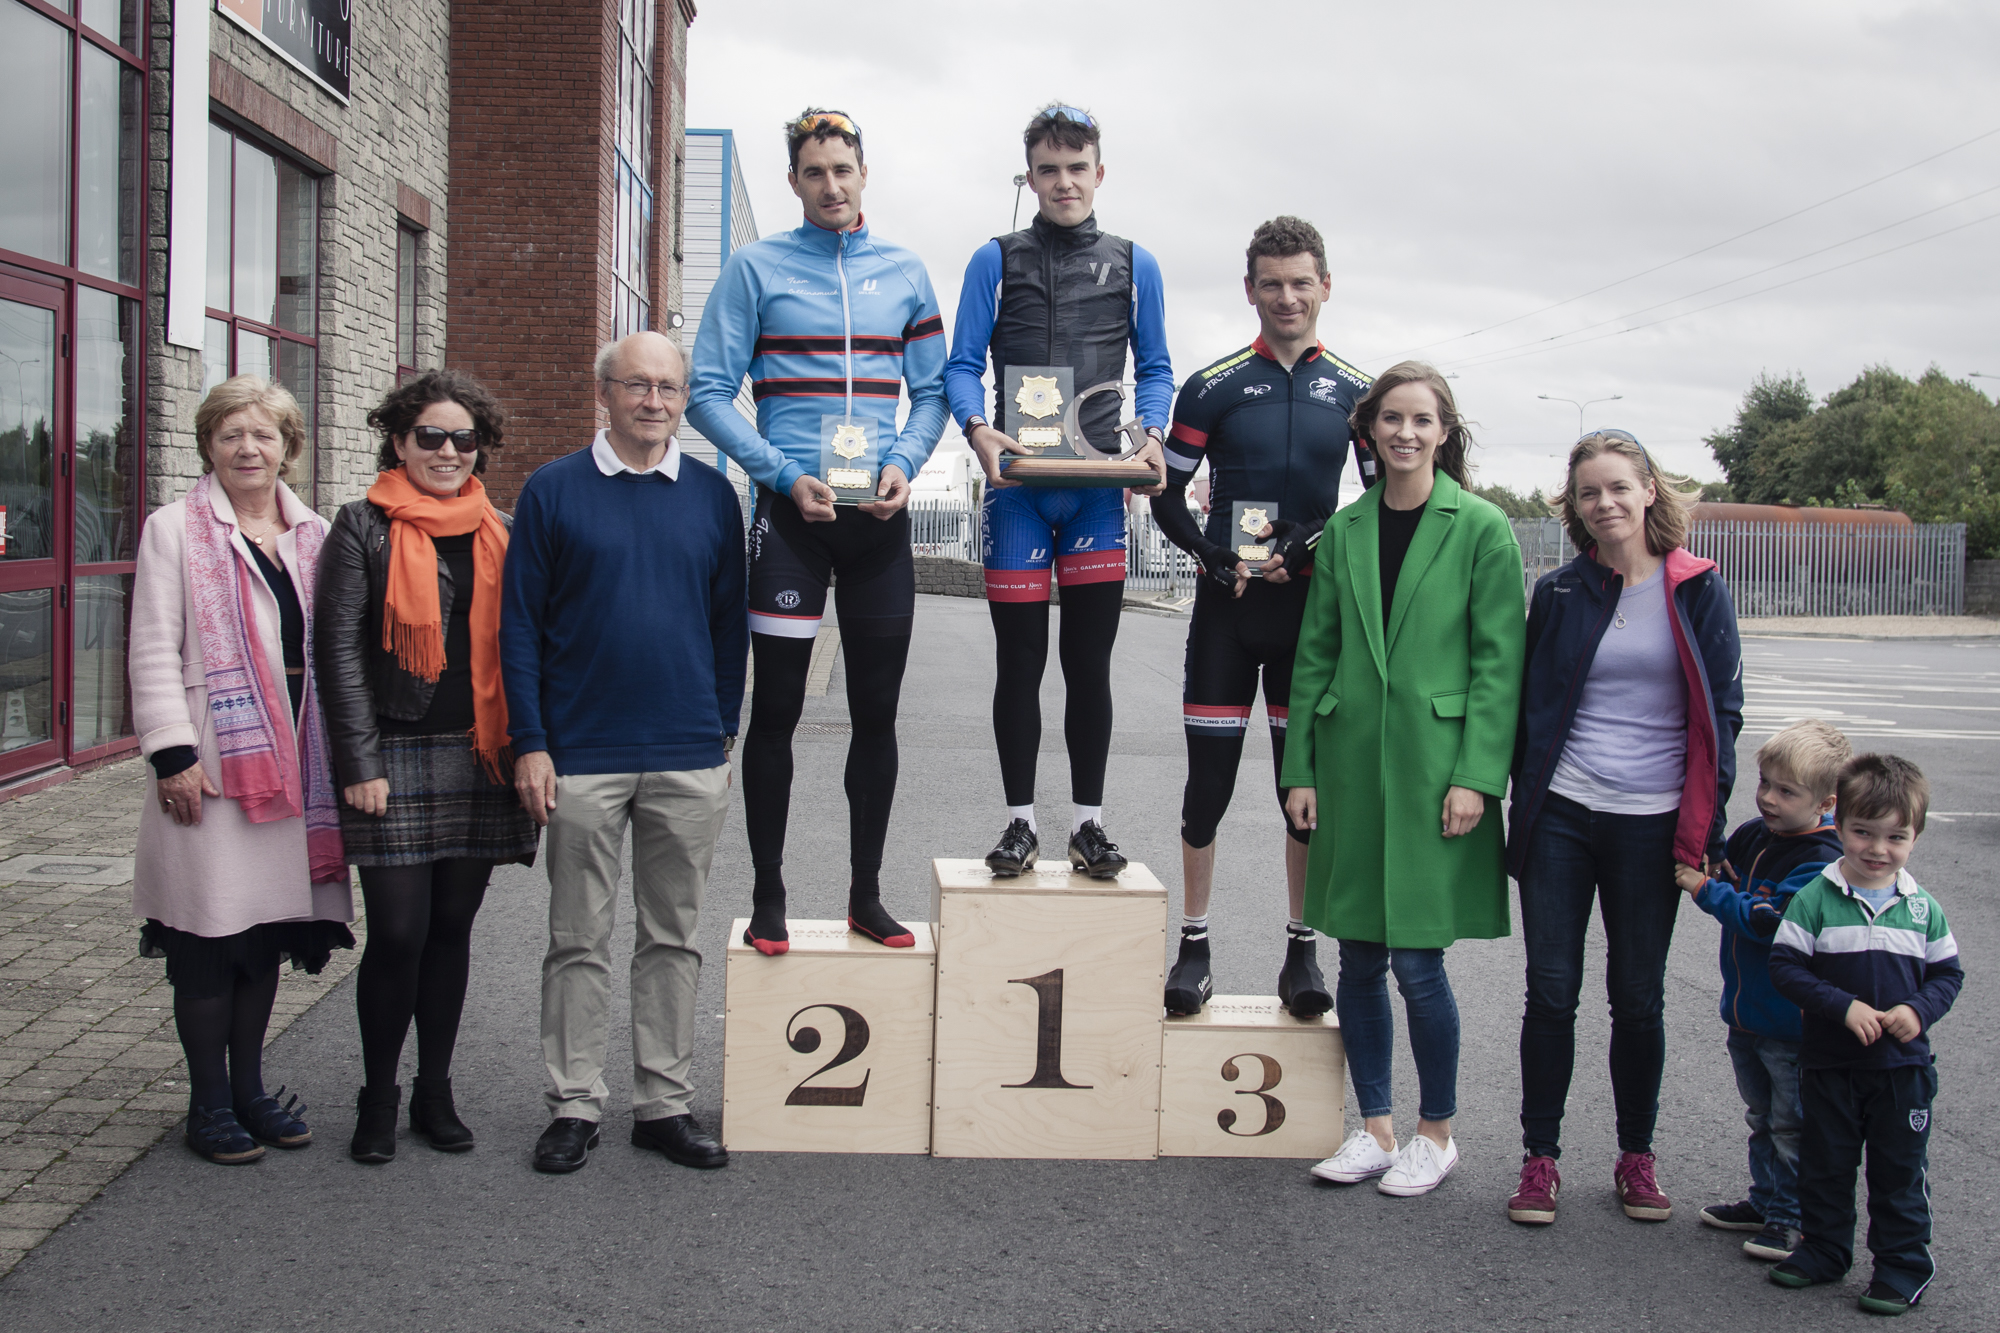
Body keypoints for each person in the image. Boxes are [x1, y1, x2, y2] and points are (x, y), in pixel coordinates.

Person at [687, 108, 947, 957]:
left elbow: (934, 391)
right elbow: (709, 392)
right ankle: (768, 894)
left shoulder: (906, 273)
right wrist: (777, 475)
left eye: (843, 169)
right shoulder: (754, 270)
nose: (830, 186)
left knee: (878, 715)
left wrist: (905, 461)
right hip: (792, 519)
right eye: (813, 173)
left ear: (864, 172)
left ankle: (865, 896)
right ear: (793, 182)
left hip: (877, 521)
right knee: (780, 714)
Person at [502, 331, 747, 1174]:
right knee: (577, 936)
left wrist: (722, 726)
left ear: (685, 399)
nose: (654, 401)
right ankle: (573, 1102)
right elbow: (520, 629)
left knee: (672, 935)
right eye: (636, 385)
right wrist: (530, 743)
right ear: (603, 393)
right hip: (581, 754)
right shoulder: (552, 492)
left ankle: (662, 1103)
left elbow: (728, 624)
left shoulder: (714, 497)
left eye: (669, 387)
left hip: (687, 752)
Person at [1281, 363, 1524, 1198]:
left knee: (1419, 963)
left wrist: (1477, 778)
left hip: (1435, 774)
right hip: (1350, 768)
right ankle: (1376, 1127)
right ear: (1369, 430)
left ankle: (1437, 1133)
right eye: (1391, 419)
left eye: (1422, 419)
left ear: (1444, 430)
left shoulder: (1483, 527)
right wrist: (1301, 767)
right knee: (1357, 958)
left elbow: (1499, 666)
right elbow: (1315, 654)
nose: (1406, 433)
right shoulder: (1344, 529)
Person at [1505, 429, 1744, 1226]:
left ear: (1650, 490)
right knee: (1552, 991)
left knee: (1638, 998)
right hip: (1565, 815)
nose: (1603, 502)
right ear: (1573, 509)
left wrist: (1706, 828)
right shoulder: (1562, 591)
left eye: (1617, 487)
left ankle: (1636, 1155)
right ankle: (1540, 1159)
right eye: (1587, 493)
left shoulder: (1698, 587)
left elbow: (1723, 716)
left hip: (1653, 823)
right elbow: (1529, 704)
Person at [1150, 216, 1375, 1018]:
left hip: (1309, 623)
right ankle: (1196, 943)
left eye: (1300, 282)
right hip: (1226, 610)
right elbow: (1164, 494)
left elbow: (1383, 501)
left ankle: (1300, 952)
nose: (1287, 297)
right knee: (1204, 789)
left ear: (1324, 286)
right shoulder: (1211, 386)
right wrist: (1210, 557)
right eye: (1271, 284)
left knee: (1301, 792)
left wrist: (1311, 540)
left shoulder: (1356, 392)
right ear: (1250, 290)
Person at [315, 370, 540, 1163]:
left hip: (481, 754)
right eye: (430, 437)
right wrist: (358, 760)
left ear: (481, 446)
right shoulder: (361, 526)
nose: (448, 451)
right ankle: (378, 1096)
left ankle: (434, 1092)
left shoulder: (504, 529)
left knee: (451, 929)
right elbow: (336, 655)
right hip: (394, 755)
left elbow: (529, 643)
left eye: (463, 438)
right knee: (400, 932)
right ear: (399, 441)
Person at [129, 376, 354, 1164]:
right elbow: (153, 645)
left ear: (289, 447)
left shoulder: (314, 536)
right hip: (214, 766)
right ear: (208, 446)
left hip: (297, 765)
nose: (247, 449)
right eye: (230, 435)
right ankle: (209, 1103)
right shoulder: (173, 530)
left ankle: (253, 1089)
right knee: (208, 934)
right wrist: (172, 751)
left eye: (262, 435)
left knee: (261, 937)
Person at [945, 103, 1172, 879]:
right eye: (1049, 169)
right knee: (1018, 665)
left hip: (1097, 493)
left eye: (1078, 168)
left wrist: (1151, 435)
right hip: (1018, 492)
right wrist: (978, 430)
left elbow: (1159, 367)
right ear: (1031, 175)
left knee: (1089, 666)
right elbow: (959, 364)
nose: (1064, 181)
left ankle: (1088, 825)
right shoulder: (993, 258)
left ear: (1099, 173)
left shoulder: (1136, 262)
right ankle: (1019, 825)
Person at [1768, 754, 1961, 1317]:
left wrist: (1918, 1011)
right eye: (1863, 832)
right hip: (1829, 1063)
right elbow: (1786, 967)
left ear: (1915, 837)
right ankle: (1824, 1249)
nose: (1878, 849)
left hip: (1901, 1071)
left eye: (1896, 837)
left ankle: (1903, 1266)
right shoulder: (1815, 899)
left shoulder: (1923, 909)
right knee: (1826, 1163)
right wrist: (1843, 1006)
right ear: (1841, 825)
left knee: (1898, 1172)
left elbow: (1947, 974)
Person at [1677, 719, 1850, 1261]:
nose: (1769, 799)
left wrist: (1706, 890)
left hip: (1790, 1021)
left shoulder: (1820, 860)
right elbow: (1733, 869)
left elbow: (1767, 921)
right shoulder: (1757, 835)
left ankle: (1790, 1218)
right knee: (1761, 1115)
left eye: (1786, 791)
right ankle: (1765, 1197)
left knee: (1790, 1122)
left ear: (1827, 802)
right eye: (1765, 783)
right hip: (1746, 1013)